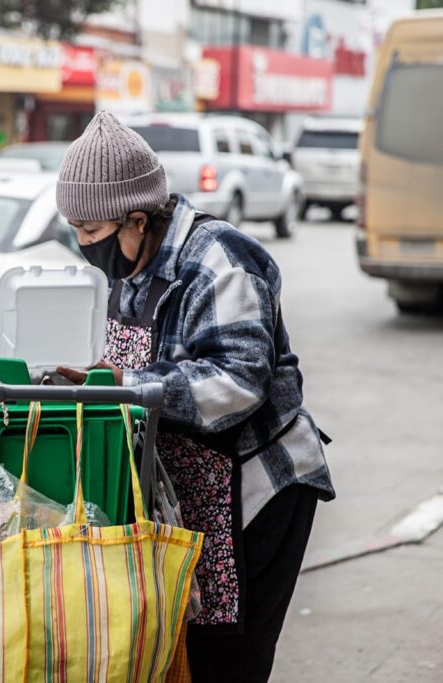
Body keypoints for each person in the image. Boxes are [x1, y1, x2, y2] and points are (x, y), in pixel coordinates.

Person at [55, 112, 335, 683]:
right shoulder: (133, 263)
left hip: (255, 491)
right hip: (185, 496)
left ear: (138, 218)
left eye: (90, 231)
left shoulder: (220, 261)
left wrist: (123, 387)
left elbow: (235, 385)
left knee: (226, 662)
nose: (84, 246)